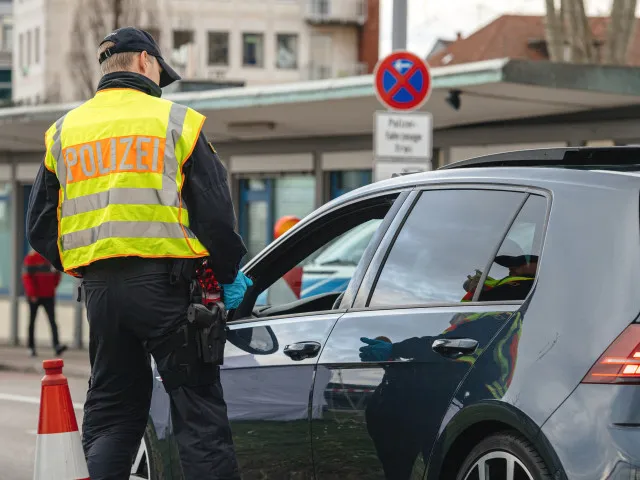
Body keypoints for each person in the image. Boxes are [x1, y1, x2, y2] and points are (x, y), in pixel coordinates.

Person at [26, 27, 251, 480]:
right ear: (145, 62)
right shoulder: (176, 122)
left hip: (102, 297)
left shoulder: (65, 131)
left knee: (111, 415)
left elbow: (38, 225)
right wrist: (229, 274)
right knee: (198, 413)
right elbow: (214, 214)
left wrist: (81, 262)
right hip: (167, 291)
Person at [21, 248, 67, 357]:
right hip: (35, 297)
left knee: (52, 321)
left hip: (48, 295)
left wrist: (52, 288)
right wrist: (32, 294)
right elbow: (27, 277)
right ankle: (31, 347)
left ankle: (57, 346)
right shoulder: (31, 258)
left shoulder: (51, 259)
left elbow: (57, 275)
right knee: (32, 321)